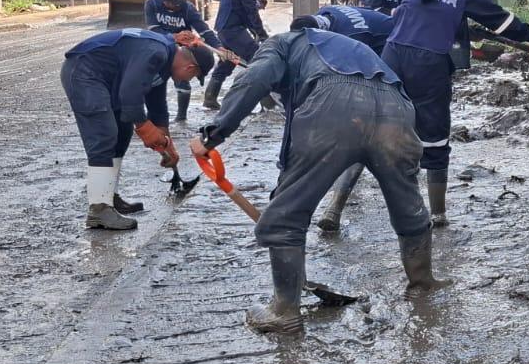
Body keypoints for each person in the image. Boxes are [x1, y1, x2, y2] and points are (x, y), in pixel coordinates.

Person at [188, 23, 446, 333]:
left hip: (335, 107)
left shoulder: (282, 42)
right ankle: (422, 283)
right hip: (397, 109)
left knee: (287, 215)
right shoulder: (349, 47)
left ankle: (283, 311)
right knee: (408, 201)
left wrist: (212, 135)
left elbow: (253, 79)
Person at [382, 0, 529, 227]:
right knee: (435, 135)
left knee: (390, 129)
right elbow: (502, 22)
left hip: (391, 56)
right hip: (428, 63)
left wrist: (464, 29)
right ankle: (437, 214)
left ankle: (399, 205)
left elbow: (415, 16)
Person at [62, 28, 215, 230]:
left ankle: (108, 198)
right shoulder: (156, 53)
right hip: (85, 73)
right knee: (105, 134)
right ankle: (99, 210)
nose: (188, 81)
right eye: (194, 76)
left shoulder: (164, 58)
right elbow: (130, 96)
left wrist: (166, 142)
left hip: (106, 79)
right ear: (190, 67)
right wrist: (144, 127)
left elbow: (157, 104)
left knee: (122, 133)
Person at [295, 5, 397, 233]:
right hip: (378, 47)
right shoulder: (325, 15)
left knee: (362, 135)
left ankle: (335, 206)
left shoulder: (351, 40)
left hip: (395, 53)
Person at [145, 0, 221, 124]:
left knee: (183, 78)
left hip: (183, 48)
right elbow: (153, 29)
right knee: (154, 80)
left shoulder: (188, 8)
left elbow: (204, 30)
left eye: (179, 2)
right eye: (173, 4)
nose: (177, 6)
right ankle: (151, 117)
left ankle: (181, 117)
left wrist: (218, 47)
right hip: (159, 44)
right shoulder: (152, 4)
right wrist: (174, 36)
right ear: (164, 1)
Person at [204, 0, 268, 110]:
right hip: (233, 30)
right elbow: (251, 13)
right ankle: (267, 101)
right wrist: (262, 33)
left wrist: (256, 3)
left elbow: (238, 5)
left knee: (227, 62)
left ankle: (210, 98)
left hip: (223, 29)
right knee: (259, 60)